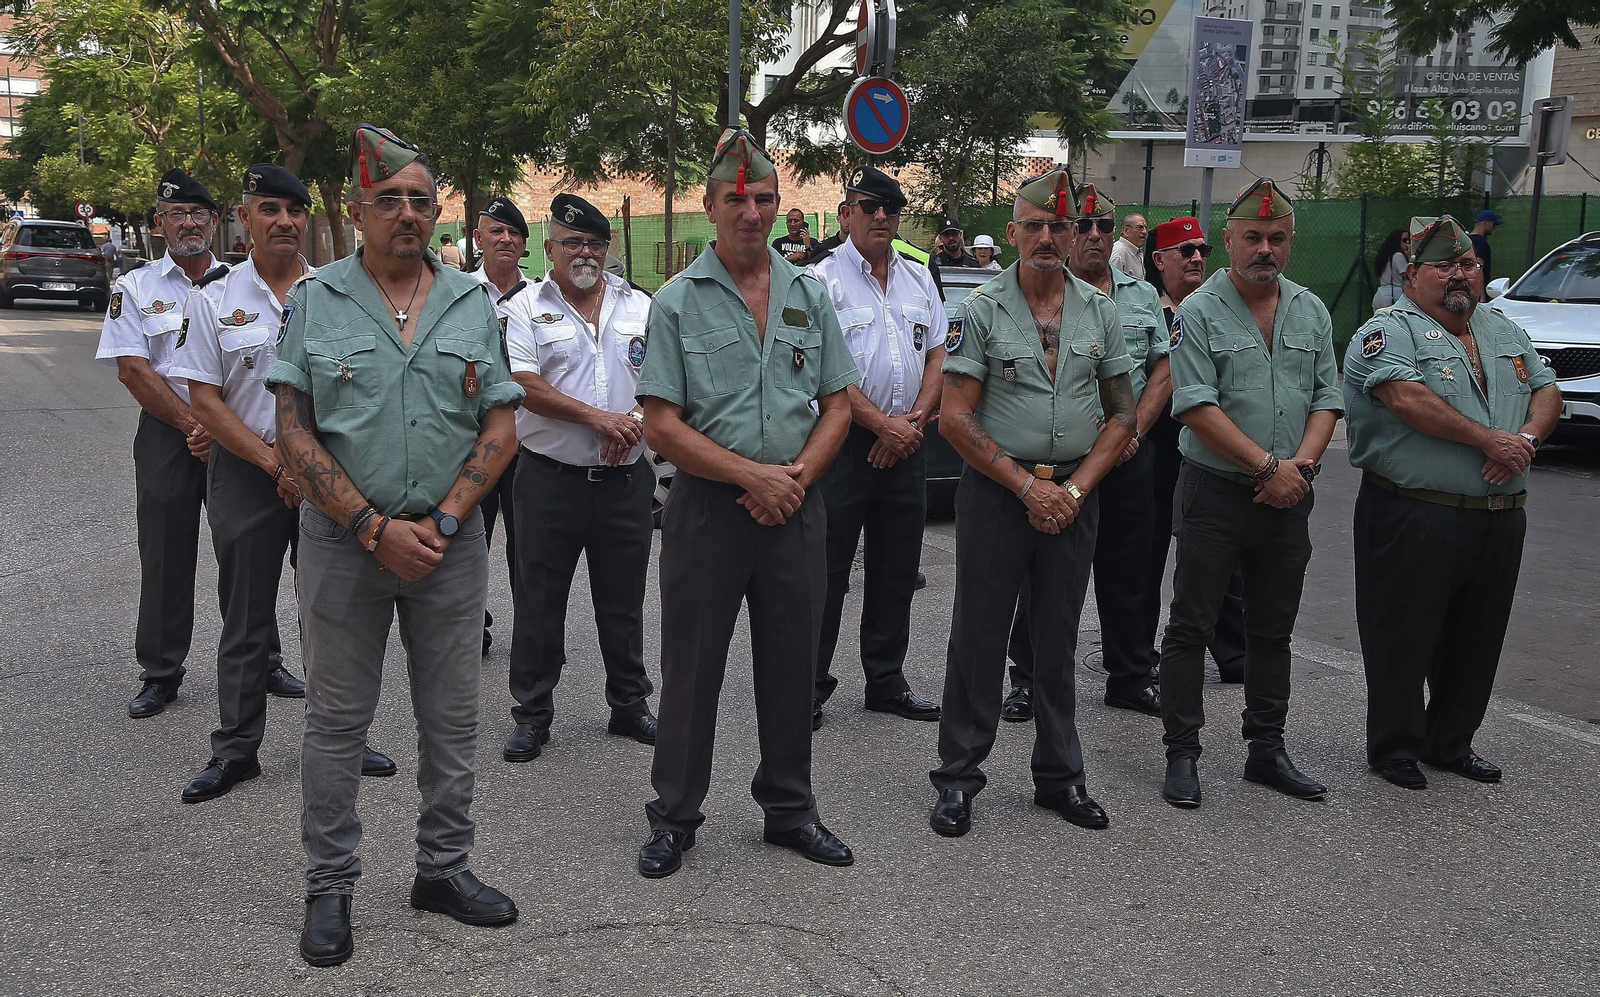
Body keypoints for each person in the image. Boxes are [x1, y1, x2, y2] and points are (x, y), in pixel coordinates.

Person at [267, 125, 526, 967]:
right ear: (357, 210)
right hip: (344, 543)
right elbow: (293, 431)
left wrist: (443, 522)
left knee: (452, 718)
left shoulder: (470, 302)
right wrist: (373, 528)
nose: (407, 213)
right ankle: (330, 884)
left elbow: (500, 424)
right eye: (390, 200)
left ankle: (443, 869)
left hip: (447, 544)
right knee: (337, 721)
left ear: (436, 210)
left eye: (421, 199)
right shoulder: (316, 299)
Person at [634, 127, 860, 879]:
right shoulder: (676, 301)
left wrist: (792, 479)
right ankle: (675, 815)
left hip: (796, 502)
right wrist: (750, 478)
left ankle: (790, 808)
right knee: (692, 667)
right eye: (736, 200)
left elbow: (837, 404)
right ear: (709, 206)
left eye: (764, 198)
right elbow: (661, 423)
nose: (752, 212)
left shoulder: (809, 293)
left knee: (794, 665)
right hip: (709, 508)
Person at [171, 163, 396, 803]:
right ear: (244, 219)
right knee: (246, 616)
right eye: (269, 209)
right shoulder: (212, 299)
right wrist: (276, 464)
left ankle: (343, 737)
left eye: (295, 211)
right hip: (249, 472)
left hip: (331, 475)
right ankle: (236, 748)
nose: (284, 222)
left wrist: (311, 466)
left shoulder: (336, 293)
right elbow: (205, 401)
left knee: (333, 614)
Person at [928, 168, 1137, 839]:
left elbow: (1123, 414)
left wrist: (1073, 490)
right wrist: (1027, 487)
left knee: (1057, 636)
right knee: (979, 636)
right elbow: (954, 418)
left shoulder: (1100, 310)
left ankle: (1060, 775)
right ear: (1013, 232)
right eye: (1035, 225)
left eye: (1059, 226)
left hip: (1074, 497)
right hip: (999, 496)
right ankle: (959, 777)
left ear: (1074, 233)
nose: (1048, 237)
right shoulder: (982, 310)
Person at [1343, 215, 1561, 790]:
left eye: (1468, 264)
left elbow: (1547, 390)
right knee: (1402, 634)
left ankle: (1451, 741)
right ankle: (1395, 746)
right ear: (1412, 274)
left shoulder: (1501, 328)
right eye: (1444, 266)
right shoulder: (1388, 331)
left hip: (1498, 515)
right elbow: (1406, 399)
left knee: (1477, 637)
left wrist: (1524, 442)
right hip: (1414, 511)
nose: (1460, 275)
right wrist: (1489, 441)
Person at [1158, 178, 1343, 809]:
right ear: (1230, 241)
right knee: (1192, 626)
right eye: (1254, 237)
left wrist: (1300, 470)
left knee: (1273, 629)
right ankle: (1182, 753)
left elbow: (1327, 399)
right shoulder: (1197, 312)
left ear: (1290, 242)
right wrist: (1269, 467)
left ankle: (1267, 749)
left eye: (1277, 238)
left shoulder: (1310, 310)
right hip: (1216, 492)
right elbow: (1194, 405)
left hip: (1289, 495)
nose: (1266, 249)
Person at [502, 193, 659, 763]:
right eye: (572, 243)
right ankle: (533, 713)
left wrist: (633, 423)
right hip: (550, 480)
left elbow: (663, 380)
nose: (584, 253)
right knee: (539, 601)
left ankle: (629, 704)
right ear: (550, 248)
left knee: (624, 601)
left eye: (594, 243)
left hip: (624, 480)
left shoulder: (641, 305)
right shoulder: (523, 308)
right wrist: (600, 419)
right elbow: (524, 384)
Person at [1004, 184, 1169, 718]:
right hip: (1064, 461)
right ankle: (1029, 680)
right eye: (1086, 225)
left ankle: (1130, 675)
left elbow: (1162, 370)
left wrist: (1133, 432)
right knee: (1043, 574)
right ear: (1070, 232)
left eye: (1104, 226)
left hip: (1128, 457)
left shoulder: (1142, 296)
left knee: (1131, 571)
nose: (1095, 235)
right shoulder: (1042, 295)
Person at [808, 166, 945, 730]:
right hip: (841, 444)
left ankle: (886, 680)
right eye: (869, 206)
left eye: (891, 207)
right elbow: (819, 369)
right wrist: (881, 425)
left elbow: (937, 353)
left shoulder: (919, 277)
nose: (881, 216)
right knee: (826, 570)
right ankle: (809, 685)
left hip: (909, 440)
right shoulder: (820, 281)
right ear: (846, 214)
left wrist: (911, 422)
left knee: (896, 567)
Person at [97, 169, 225, 719]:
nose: (189, 223)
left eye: (198, 214)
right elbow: (133, 369)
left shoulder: (241, 284)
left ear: (214, 221)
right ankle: (161, 672)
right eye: (177, 214)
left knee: (247, 550)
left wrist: (219, 427)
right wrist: (195, 425)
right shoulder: (134, 288)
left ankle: (263, 659)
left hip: (235, 433)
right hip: (169, 432)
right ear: (159, 223)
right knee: (166, 553)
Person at [1136, 217, 1247, 704]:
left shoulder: (1224, 311)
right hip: (1157, 456)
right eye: (1185, 251)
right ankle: (1139, 657)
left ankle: (1233, 653)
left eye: (1202, 249)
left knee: (1220, 560)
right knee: (1145, 561)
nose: (1197, 258)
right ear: (1159, 260)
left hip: (1212, 456)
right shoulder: (1144, 312)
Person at [470, 196, 532, 656]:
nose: (505, 239)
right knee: (471, 540)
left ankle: (530, 633)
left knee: (528, 547)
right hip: (471, 442)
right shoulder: (456, 293)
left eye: (514, 233)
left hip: (528, 442)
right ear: (478, 239)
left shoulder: (541, 298)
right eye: (496, 230)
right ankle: (471, 624)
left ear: (525, 244)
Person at [1371, 228, 1412, 310]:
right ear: (1397, 241)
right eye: (1404, 240)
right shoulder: (1398, 256)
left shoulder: (1386, 256)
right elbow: (1408, 275)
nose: (1408, 242)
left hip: (1381, 293)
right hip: (1394, 294)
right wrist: (1410, 256)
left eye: (1409, 240)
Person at [802, 201, 849, 265]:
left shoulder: (862, 249)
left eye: (852, 215)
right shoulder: (822, 248)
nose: (849, 219)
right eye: (846, 215)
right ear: (838, 219)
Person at [1109, 212, 1148, 279]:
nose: (1144, 231)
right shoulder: (1118, 254)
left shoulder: (1136, 251)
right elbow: (1112, 283)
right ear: (1126, 231)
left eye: (1145, 228)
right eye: (1139, 227)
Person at [1469, 209, 1500, 282]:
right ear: (1485, 223)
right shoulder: (1481, 242)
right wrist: (1480, 288)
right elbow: (1477, 269)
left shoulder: (1466, 240)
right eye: (1493, 224)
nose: (1494, 227)